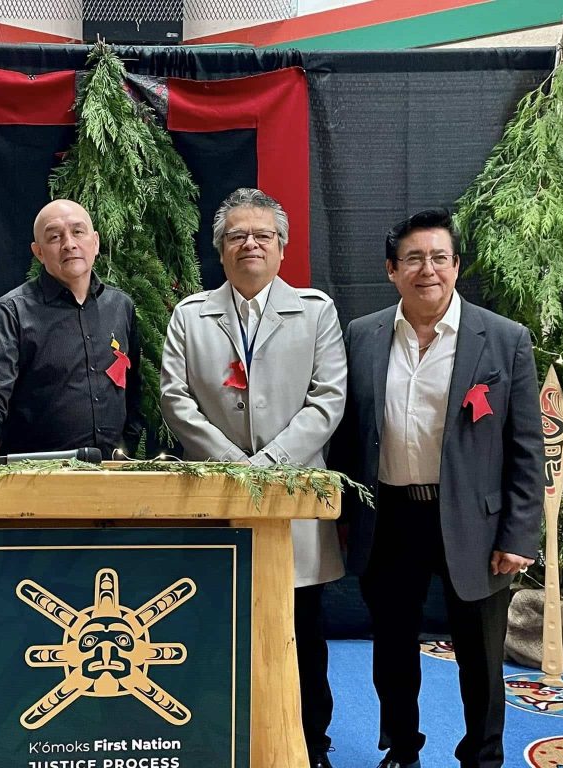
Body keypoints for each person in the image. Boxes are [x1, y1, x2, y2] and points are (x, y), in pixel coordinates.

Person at [337, 209, 543, 768]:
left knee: (480, 658)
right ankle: (402, 749)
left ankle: (483, 758)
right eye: (413, 258)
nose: (427, 269)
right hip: (390, 518)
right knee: (393, 650)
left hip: (475, 524)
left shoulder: (503, 340)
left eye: (439, 257)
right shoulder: (363, 335)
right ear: (391, 270)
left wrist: (520, 532)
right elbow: (350, 435)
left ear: (456, 266)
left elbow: (527, 448)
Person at [160, 188, 347, 768]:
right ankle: (216, 740)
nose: (250, 244)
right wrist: (235, 470)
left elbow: (327, 400)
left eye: (263, 235)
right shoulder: (191, 316)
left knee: (302, 633)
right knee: (215, 626)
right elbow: (175, 399)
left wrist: (267, 468)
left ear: (282, 248)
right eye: (238, 235)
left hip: (292, 497)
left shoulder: (315, 311)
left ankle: (312, 743)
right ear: (221, 249)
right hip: (215, 496)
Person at [0, 199, 141, 465]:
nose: (69, 244)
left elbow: (134, 393)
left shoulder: (121, 307)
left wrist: (128, 450)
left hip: (112, 475)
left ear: (96, 242)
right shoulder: (12, 312)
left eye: (78, 232)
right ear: (39, 252)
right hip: (35, 478)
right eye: (55, 236)